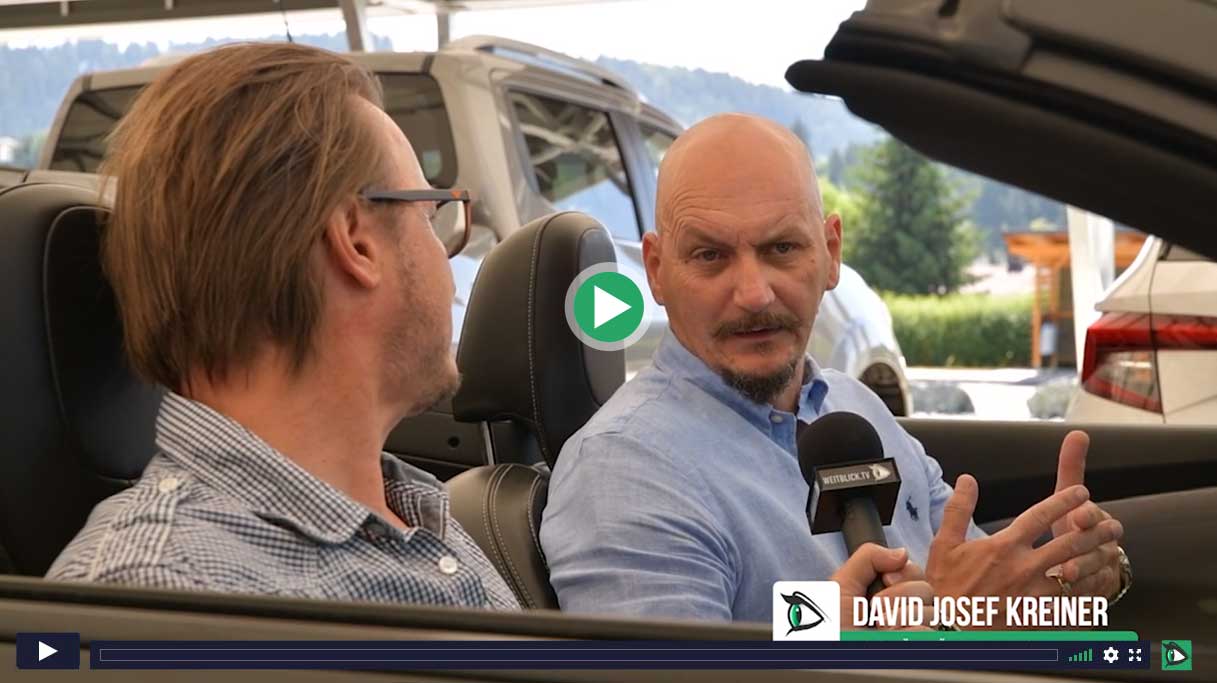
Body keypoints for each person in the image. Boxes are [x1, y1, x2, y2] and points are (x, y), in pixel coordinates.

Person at [539, 113, 1128, 624]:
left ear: (831, 253)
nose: (754, 293)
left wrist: (1061, 582)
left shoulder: (856, 409)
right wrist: (933, 628)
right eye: (710, 255)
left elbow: (977, 588)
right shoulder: (623, 469)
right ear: (657, 271)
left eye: (781, 248)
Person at [46, 43, 519, 611]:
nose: (446, 258)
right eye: (430, 214)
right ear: (356, 240)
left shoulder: (413, 509)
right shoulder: (158, 592)